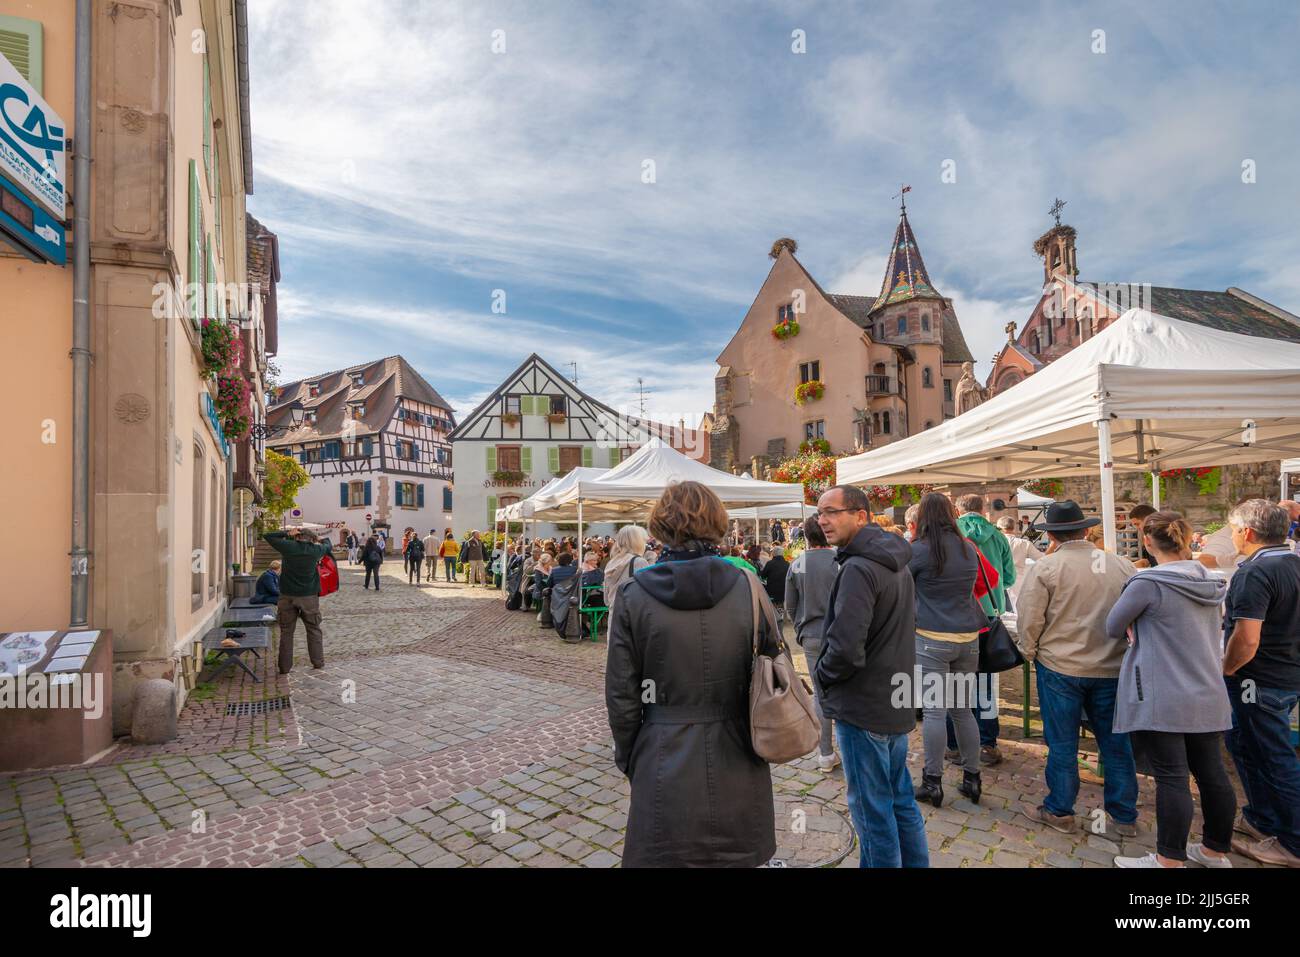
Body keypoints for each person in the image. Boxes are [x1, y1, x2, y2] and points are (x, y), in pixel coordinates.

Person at [606, 480, 781, 867]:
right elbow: (774, 664)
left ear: (659, 527)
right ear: (717, 523)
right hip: (739, 748)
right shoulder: (748, 587)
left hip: (663, 750)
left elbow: (621, 693)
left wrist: (630, 756)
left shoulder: (634, 595)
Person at [1105, 512, 1234, 869]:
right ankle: (1214, 851)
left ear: (1147, 542)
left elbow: (1112, 626)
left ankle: (1168, 859)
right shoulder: (1210, 581)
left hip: (1163, 690)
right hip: (1207, 686)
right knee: (1212, 774)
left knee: (1172, 777)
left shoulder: (1148, 584)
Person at [814, 484, 927, 868]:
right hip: (892, 700)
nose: (823, 520)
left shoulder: (860, 567)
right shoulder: (891, 559)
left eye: (831, 511)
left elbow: (845, 647)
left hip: (864, 706)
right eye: (819, 513)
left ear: (860, 515)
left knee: (873, 812)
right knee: (899, 802)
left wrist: (823, 675)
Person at [1016, 500, 1139, 836]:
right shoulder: (1121, 565)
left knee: (1063, 742)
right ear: (1086, 530)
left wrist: (1030, 651)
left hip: (1062, 665)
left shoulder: (1047, 568)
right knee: (1115, 743)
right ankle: (1124, 815)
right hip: (1110, 665)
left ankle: (1060, 810)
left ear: (1052, 535)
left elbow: (1030, 617)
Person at [1222, 499, 1300, 867]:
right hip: (1284, 675)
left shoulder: (1254, 573)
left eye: (1233, 529)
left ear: (1247, 532)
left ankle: (1293, 842)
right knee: (1244, 744)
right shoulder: (1293, 563)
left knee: (1275, 758)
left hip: (1259, 679)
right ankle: (1262, 817)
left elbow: (1247, 638)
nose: (1233, 536)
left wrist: (1227, 669)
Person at [909, 493, 989, 806]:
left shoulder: (918, 550)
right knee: (962, 710)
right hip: (968, 637)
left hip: (931, 637)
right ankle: (972, 777)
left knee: (934, 712)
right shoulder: (969, 549)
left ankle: (932, 781)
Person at [955, 494, 1015, 766]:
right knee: (986, 682)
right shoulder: (999, 537)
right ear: (983, 510)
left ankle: (955, 742)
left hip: (958, 613)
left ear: (959, 510)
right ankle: (988, 743)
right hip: (988, 612)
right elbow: (1010, 577)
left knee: (955, 681)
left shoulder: (952, 535)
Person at [784, 516, 839, 771]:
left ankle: (825, 753)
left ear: (806, 536)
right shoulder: (840, 560)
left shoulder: (798, 564)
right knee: (845, 690)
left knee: (820, 693)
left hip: (812, 635)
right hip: (840, 633)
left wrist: (801, 628)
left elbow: (790, 606)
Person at [263, 527, 333, 674]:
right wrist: (322, 539)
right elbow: (328, 546)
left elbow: (268, 536)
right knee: (313, 629)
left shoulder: (288, 547)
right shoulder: (316, 550)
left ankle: (284, 667)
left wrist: (286, 533)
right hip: (309, 596)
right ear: (312, 539)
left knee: (286, 631)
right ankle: (318, 662)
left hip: (287, 595)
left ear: (297, 537)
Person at [602, 525, 651, 617]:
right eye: (643, 540)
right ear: (638, 542)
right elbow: (648, 595)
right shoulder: (639, 562)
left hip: (614, 616)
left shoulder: (612, 562)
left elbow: (606, 599)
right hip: (632, 616)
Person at [998, 516, 1037, 605]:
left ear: (1000, 528)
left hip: (997, 582)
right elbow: (1042, 559)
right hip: (1017, 581)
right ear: (1014, 527)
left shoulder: (994, 542)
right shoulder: (1024, 543)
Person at [760, 545, 788, 622]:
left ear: (774, 553)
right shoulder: (787, 564)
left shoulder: (770, 563)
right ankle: (780, 613)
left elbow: (763, 576)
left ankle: (773, 614)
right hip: (784, 591)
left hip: (771, 591)